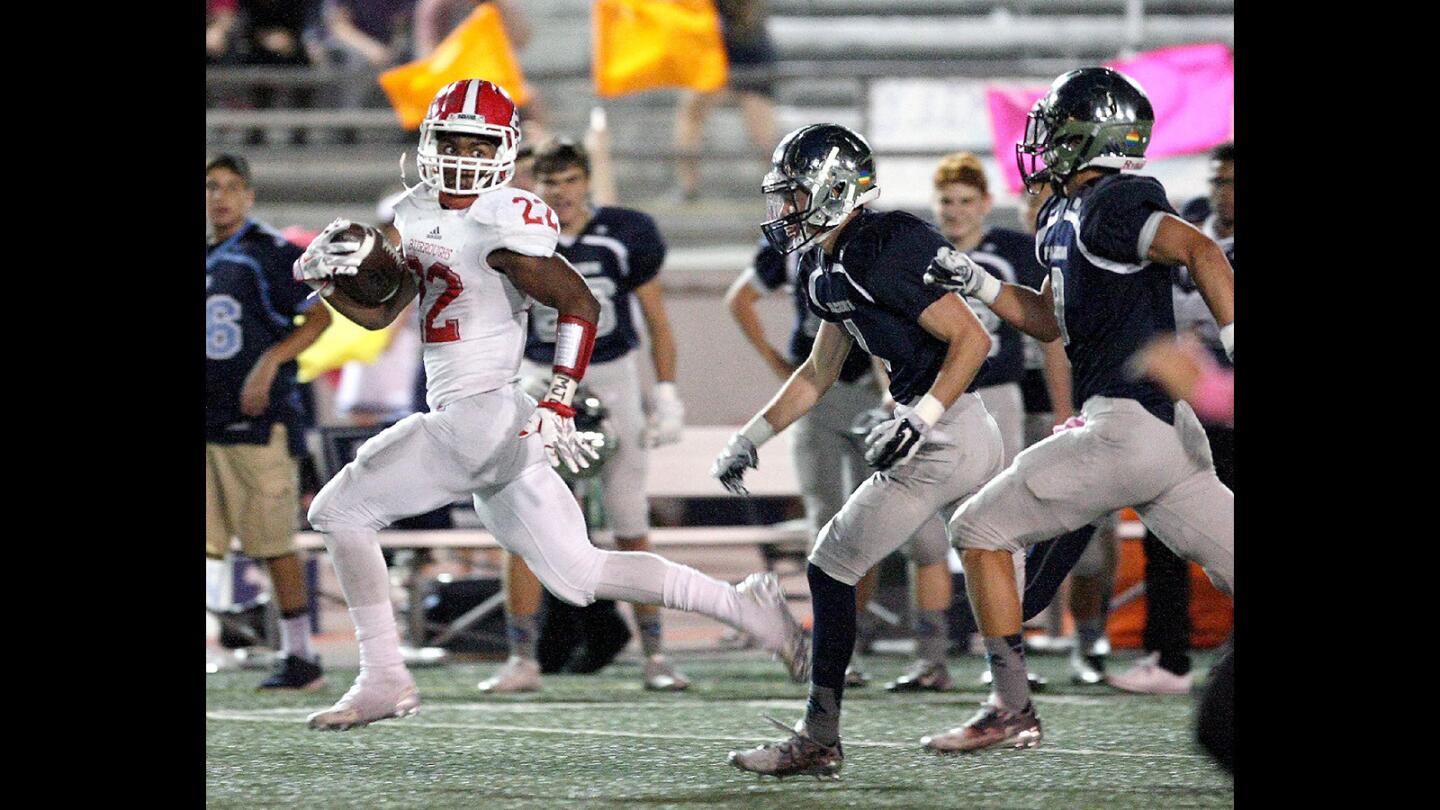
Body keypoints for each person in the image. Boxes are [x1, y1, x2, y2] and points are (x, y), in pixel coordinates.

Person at [292, 79, 806, 731]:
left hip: (481, 415)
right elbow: (385, 312)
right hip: (492, 425)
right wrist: (329, 282)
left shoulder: (502, 218)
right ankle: (746, 605)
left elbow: (579, 303)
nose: (461, 156)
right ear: (428, 141)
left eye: (478, 145)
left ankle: (383, 677)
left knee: (340, 510)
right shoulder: (415, 211)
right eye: (450, 141)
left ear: (505, 152)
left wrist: (561, 395)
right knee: (580, 573)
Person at [920, 66, 1234, 753]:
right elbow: (1047, 320)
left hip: (1126, 427)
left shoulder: (1117, 201)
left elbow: (1199, 249)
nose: (1043, 141)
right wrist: (975, 279)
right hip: (1160, 435)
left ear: (1094, 135)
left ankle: (1009, 709)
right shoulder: (1064, 214)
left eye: (1056, 128)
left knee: (977, 528)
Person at [717, 123, 1002, 779]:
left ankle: (822, 735)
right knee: (991, 550)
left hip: (946, 425)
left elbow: (972, 340)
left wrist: (920, 415)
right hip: (940, 422)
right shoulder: (827, 265)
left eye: (792, 195)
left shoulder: (886, 243)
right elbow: (818, 373)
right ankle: (1011, 703)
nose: (782, 209)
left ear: (832, 190)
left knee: (834, 562)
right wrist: (750, 437)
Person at [477, 137, 691, 693]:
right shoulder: (519, 234)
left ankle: (656, 657)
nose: (561, 192)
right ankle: (522, 658)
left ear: (588, 180)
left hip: (611, 374)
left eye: (570, 180)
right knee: (522, 514)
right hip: (541, 376)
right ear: (536, 184)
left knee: (629, 517)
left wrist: (665, 390)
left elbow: (657, 321)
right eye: (551, 182)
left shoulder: (625, 234)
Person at [1109, 141, 1235, 696]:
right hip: (1183, 397)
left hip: (1218, 393)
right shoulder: (1186, 226)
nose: (1222, 189)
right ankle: (1169, 654)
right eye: (1219, 178)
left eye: (1231, 180)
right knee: (1166, 522)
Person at [206, 154, 334, 690]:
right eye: (212, 187)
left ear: (250, 195)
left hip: (257, 422)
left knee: (272, 544)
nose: (221, 197)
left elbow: (322, 314)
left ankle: (301, 658)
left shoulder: (271, 252)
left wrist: (271, 361)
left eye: (232, 187)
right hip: (208, 421)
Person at [672, 0, 778, 202]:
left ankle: (783, 187)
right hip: (718, 54)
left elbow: (745, 20)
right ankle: (688, 187)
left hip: (749, 54)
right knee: (691, 113)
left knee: (762, 136)